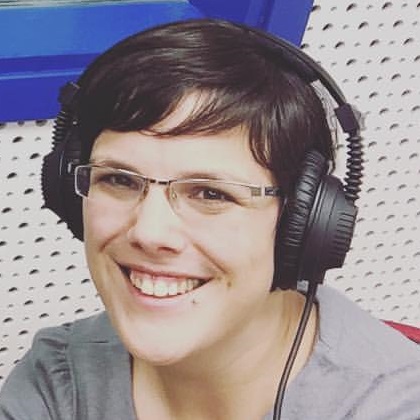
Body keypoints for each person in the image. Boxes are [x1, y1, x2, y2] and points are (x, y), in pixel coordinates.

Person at [1, 19, 420, 420]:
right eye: (119, 179)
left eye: (210, 193)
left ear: (304, 222)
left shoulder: (394, 405)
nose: (149, 231)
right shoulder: (56, 378)